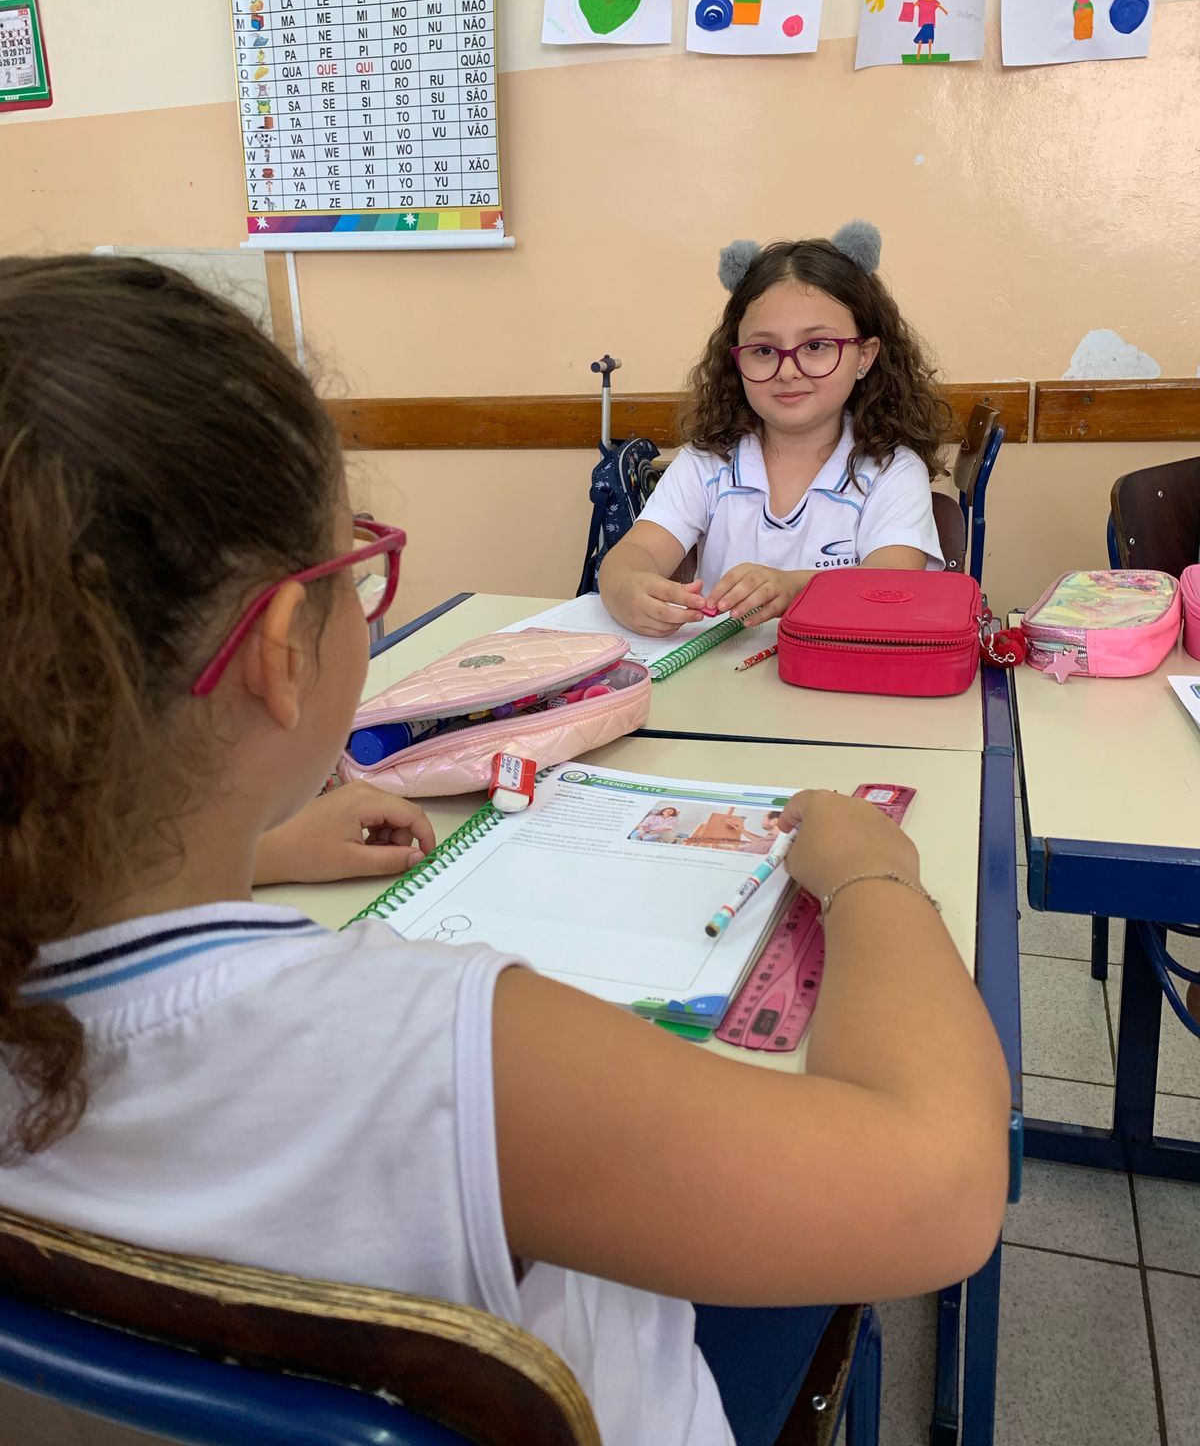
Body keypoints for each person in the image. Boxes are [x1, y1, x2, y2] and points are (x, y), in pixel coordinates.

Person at [0, 257, 1008, 1446]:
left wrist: (265, 850)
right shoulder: (463, 1047)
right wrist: (869, 866)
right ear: (282, 648)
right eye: (355, 566)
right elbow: (944, 1188)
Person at [599, 223, 951, 638]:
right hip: (723, 684)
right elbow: (635, 553)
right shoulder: (708, 462)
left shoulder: (891, 469)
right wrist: (625, 589)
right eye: (764, 351)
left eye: (817, 346)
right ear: (736, 360)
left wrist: (794, 589)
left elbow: (891, 587)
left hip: (838, 684)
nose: (787, 370)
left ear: (865, 356)